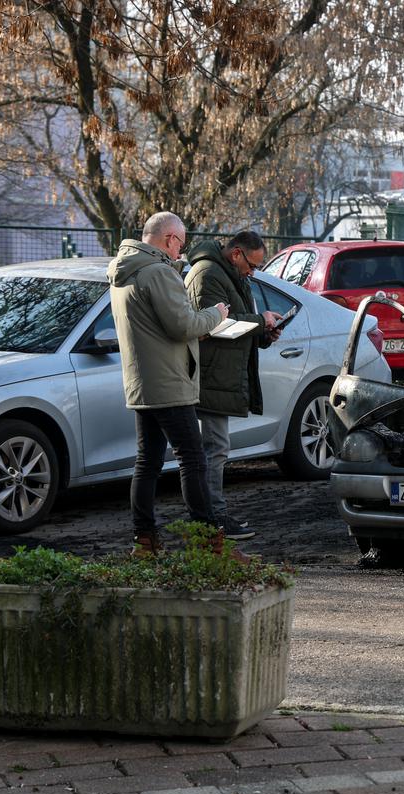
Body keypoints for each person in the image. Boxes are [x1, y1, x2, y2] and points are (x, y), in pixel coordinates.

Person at [109, 211, 231, 557]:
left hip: (142, 382)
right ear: (169, 239)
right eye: (181, 243)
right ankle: (208, 543)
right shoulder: (158, 272)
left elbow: (157, 327)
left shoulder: (123, 271)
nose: (182, 251)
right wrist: (216, 315)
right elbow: (182, 325)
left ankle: (144, 541)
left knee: (147, 462)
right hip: (170, 382)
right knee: (193, 459)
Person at [184, 231, 282, 540]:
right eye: (251, 265)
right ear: (236, 253)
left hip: (220, 374)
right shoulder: (208, 274)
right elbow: (213, 325)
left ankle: (211, 516)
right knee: (214, 449)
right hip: (210, 375)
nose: (253, 273)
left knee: (214, 449)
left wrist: (264, 334)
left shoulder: (230, 274)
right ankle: (212, 518)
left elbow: (236, 324)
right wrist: (260, 321)